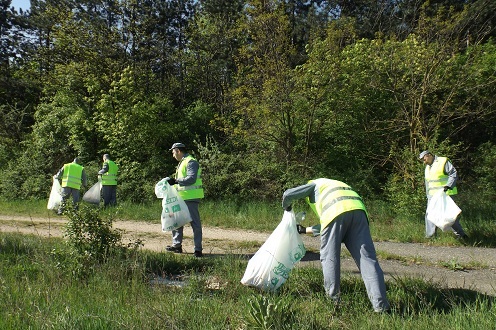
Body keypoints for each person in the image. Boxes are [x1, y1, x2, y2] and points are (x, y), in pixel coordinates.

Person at [282, 178, 390, 313]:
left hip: (335, 214)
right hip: (359, 213)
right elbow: (332, 222)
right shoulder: (337, 186)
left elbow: (288, 194)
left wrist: (287, 209)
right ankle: (381, 308)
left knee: (330, 259)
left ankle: (334, 303)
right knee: (368, 260)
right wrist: (304, 230)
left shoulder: (314, 184)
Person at [165, 142, 204, 258]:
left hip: (190, 197)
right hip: (182, 197)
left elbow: (191, 179)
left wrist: (176, 181)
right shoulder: (183, 162)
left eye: (173, 152)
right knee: (177, 222)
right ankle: (177, 245)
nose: (173, 155)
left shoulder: (191, 162)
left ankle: (198, 250)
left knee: (195, 224)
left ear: (177, 150)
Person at [419, 150, 468, 239]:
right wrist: (428, 195)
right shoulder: (427, 167)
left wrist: (448, 186)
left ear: (429, 155)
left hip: (446, 194)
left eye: (424, 158)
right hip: (433, 196)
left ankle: (461, 235)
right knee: (430, 215)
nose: (423, 161)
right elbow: (428, 183)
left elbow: (453, 173)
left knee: (449, 216)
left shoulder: (442, 161)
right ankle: (430, 237)